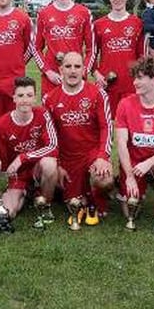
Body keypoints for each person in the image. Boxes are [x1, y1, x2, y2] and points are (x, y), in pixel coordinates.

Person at [43, 52, 113, 229]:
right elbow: (48, 137)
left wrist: (102, 157)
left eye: (77, 67)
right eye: (68, 67)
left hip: (92, 154)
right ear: (60, 69)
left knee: (104, 180)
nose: (72, 71)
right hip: (67, 159)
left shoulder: (98, 94)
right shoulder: (49, 99)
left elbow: (106, 127)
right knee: (75, 202)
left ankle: (99, 194)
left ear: (84, 70)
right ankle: (77, 194)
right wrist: (57, 164)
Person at [114, 57, 154, 233]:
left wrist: (149, 163)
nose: (135, 82)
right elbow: (121, 143)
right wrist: (129, 176)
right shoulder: (125, 104)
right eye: (135, 77)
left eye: (140, 77)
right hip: (133, 163)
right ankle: (128, 185)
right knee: (131, 211)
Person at [0, 76, 58, 226]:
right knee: (9, 213)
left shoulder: (43, 115)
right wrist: (1, 193)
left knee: (50, 164)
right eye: (21, 96)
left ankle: (45, 205)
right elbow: (2, 161)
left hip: (37, 169)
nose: (25, 100)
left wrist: (22, 157)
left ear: (35, 98)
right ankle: (24, 194)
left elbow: (53, 146)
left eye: (29, 95)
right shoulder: (2, 124)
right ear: (14, 98)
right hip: (17, 174)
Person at [32, 0, 96, 96]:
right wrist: (48, 72)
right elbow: (36, 48)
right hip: (52, 78)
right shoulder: (44, 14)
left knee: (77, 115)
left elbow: (91, 49)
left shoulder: (84, 13)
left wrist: (83, 71)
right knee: (50, 115)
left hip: (76, 76)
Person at [92, 0, 145, 117]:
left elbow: (141, 56)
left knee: (130, 127)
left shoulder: (137, 23)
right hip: (106, 84)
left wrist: (140, 79)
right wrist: (95, 73)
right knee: (105, 126)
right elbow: (91, 53)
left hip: (130, 85)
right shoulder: (99, 24)